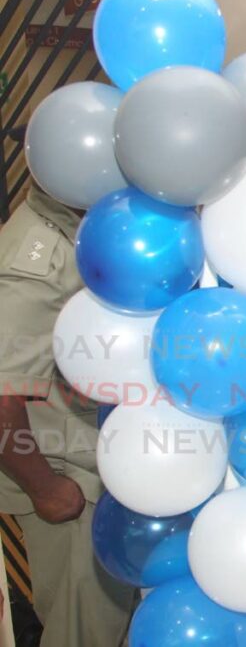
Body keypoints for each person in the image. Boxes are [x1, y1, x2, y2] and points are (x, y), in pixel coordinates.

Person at [0, 187, 134, 646]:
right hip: (74, 488)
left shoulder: (83, 231)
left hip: (113, 479)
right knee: (84, 634)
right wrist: (47, 488)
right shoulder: (39, 255)